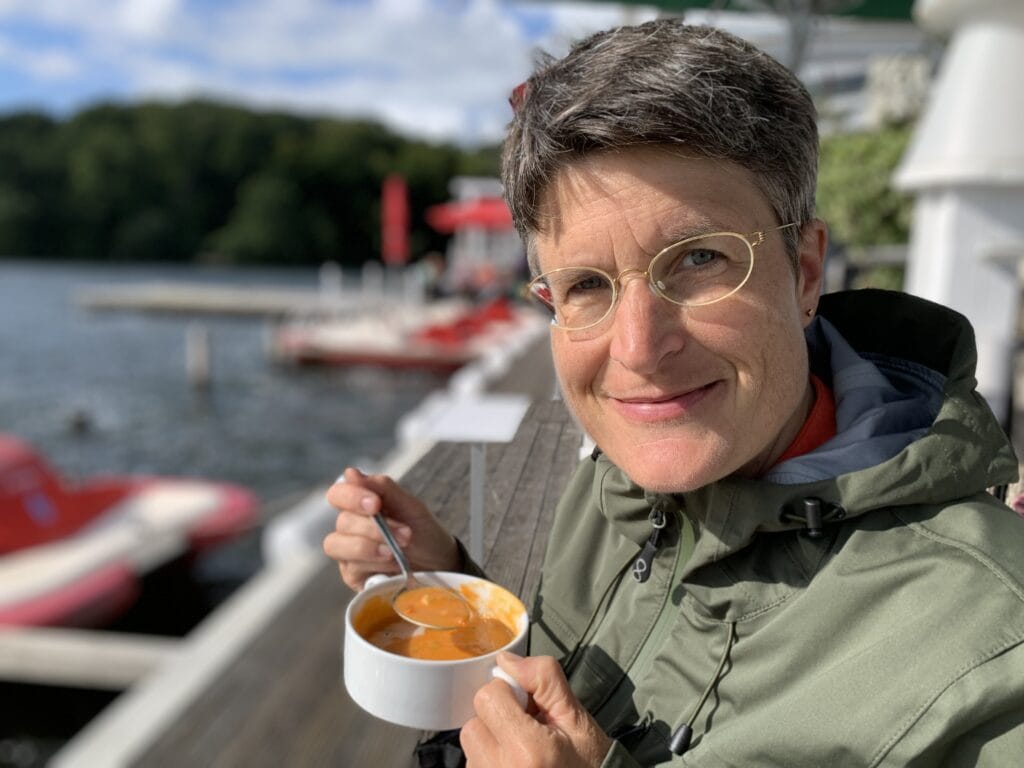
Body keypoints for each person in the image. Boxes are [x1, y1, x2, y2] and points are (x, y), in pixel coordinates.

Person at [323, 18, 1024, 767]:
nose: (637, 350)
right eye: (585, 284)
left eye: (699, 259)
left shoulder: (991, 651)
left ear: (805, 272)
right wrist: (451, 585)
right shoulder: (615, 478)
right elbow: (568, 683)